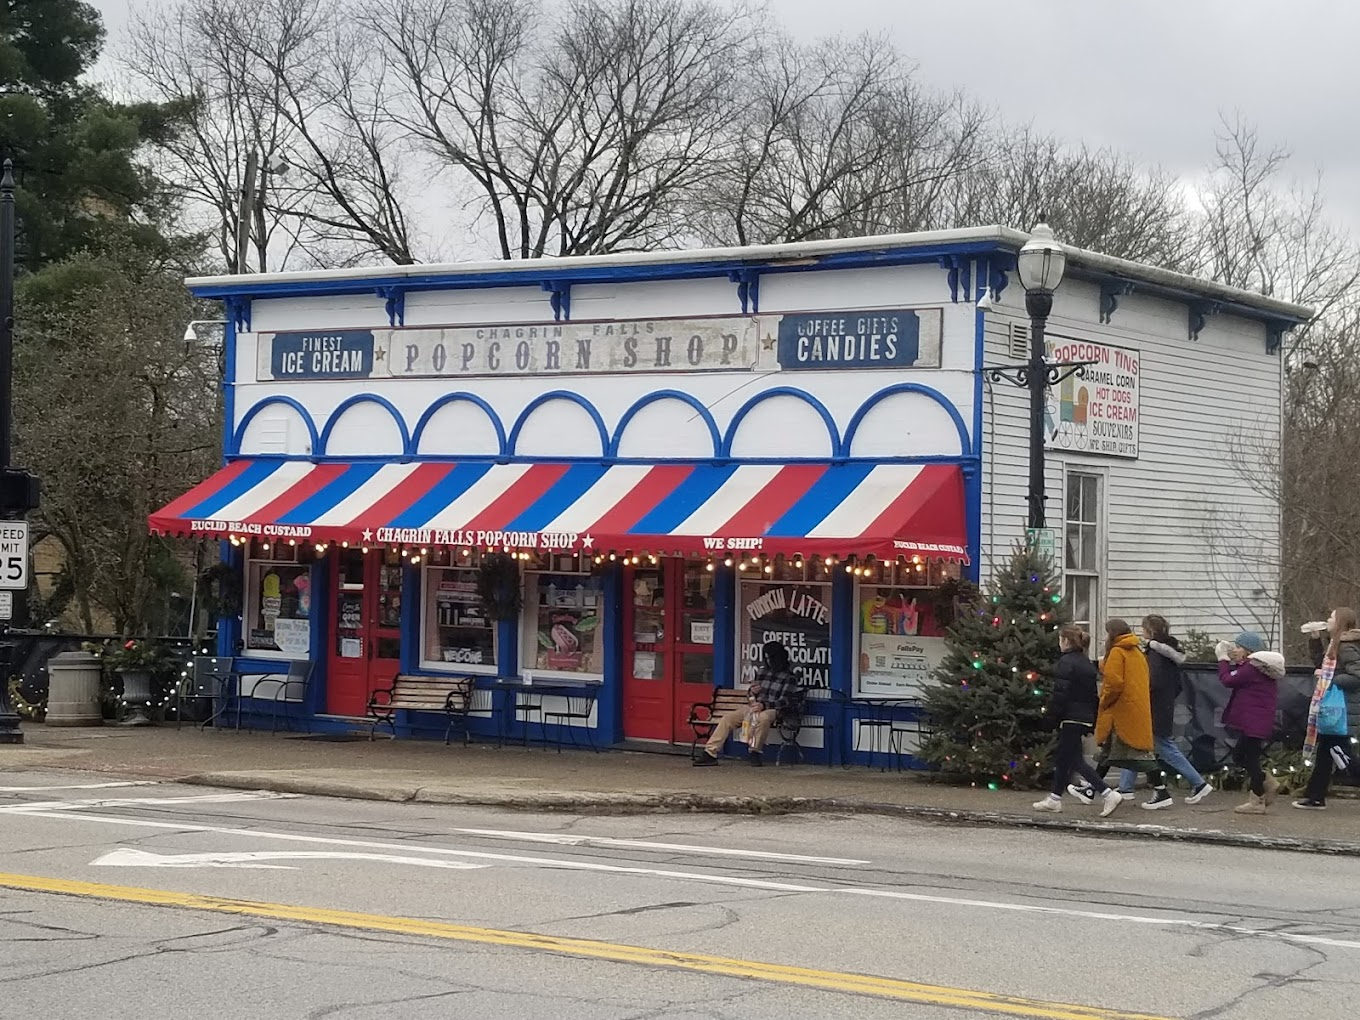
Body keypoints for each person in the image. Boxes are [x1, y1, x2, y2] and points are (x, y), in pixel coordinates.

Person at [1033, 626, 1118, 815]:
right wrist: (1093, 719)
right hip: (1083, 716)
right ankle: (1054, 798)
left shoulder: (1066, 662)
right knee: (1065, 759)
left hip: (1070, 716)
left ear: (1065, 641)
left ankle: (1106, 792)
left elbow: (1061, 693)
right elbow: (1092, 695)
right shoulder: (1086, 663)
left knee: (1073, 759)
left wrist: (1051, 718)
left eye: (1060, 639)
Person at [1088, 619, 1169, 816]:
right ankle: (1090, 788)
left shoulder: (1117, 651)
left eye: (1107, 633)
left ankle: (1161, 791)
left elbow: (1114, 682)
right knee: (1110, 751)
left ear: (1113, 634)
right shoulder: (1135, 651)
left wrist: (1104, 700)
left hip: (1121, 712)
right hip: (1136, 709)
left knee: (1138, 754)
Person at [693, 641, 804, 767]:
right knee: (727, 719)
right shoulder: (762, 672)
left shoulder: (789, 677)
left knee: (763, 718)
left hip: (774, 709)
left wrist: (764, 705)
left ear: (778, 658)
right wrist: (752, 692)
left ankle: (755, 751)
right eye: (766, 658)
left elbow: (786, 701)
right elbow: (750, 696)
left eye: (770, 658)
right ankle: (710, 752)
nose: (768, 661)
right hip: (754, 706)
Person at [1294, 608, 1360, 809]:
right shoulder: (1336, 644)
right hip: (1336, 710)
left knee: (1340, 752)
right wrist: (1315, 639)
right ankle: (1315, 796)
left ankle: (1315, 796)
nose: (1327, 620)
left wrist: (1330, 679)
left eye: (1331, 618)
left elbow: (1357, 675)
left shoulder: (1346, 646)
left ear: (1340, 622)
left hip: (1341, 710)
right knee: (1325, 752)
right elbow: (1324, 662)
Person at [1216, 631, 1284, 814]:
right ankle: (1267, 782)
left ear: (1248, 650)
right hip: (1256, 721)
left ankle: (1257, 799)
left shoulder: (1252, 668)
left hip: (1254, 722)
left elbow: (1228, 679)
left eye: (1239, 647)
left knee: (1249, 758)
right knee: (1241, 755)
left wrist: (1222, 659)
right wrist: (1230, 658)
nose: (1236, 650)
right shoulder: (1257, 667)